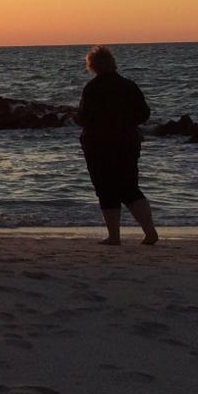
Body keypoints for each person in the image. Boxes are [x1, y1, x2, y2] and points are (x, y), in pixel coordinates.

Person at [74, 45, 159, 245]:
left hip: (98, 144)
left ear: (92, 66)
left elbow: (85, 117)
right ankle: (150, 231)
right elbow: (144, 114)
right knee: (130, 188)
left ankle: (114, 236)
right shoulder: (129, 85)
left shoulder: (93, 88)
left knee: (105, 189)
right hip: (128, 142)